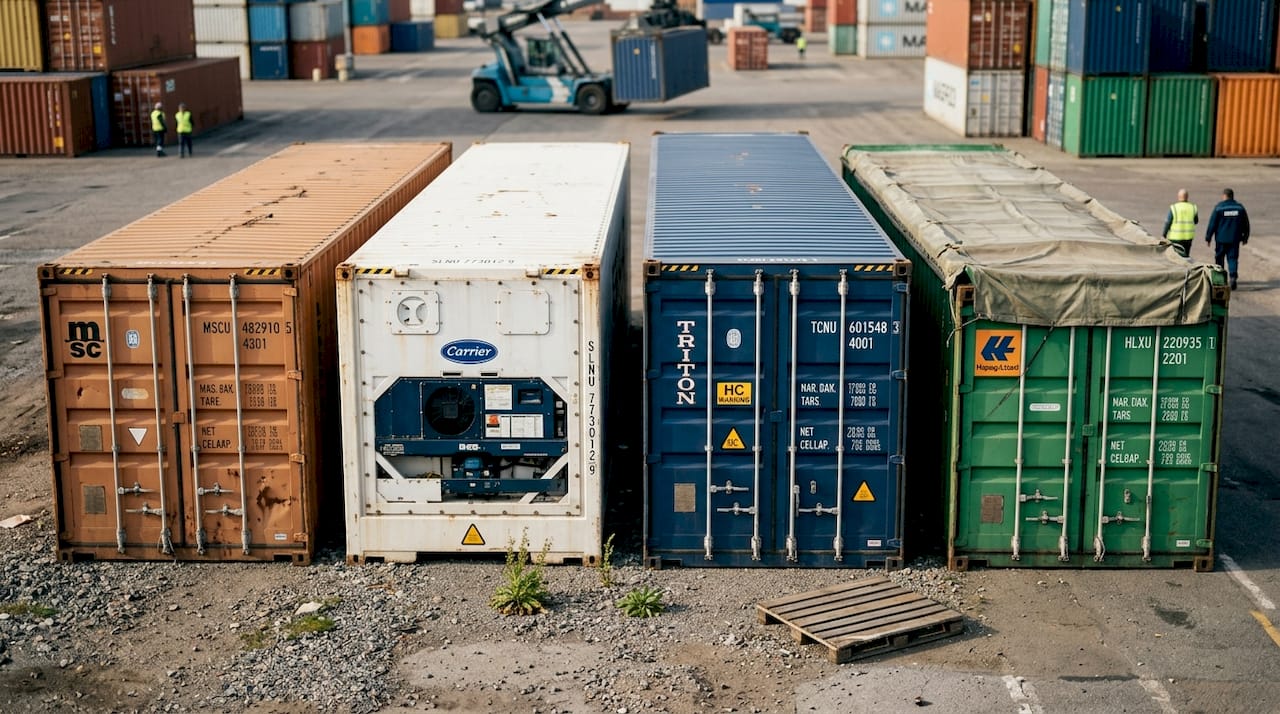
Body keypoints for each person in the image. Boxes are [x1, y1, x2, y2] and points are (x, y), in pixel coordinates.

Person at [1205, 188, 1250, 290]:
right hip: (1234, 239)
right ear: (1232, 196)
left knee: (1219, 258)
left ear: (1224, 196)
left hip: (1221, 239)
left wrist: (1208, 237)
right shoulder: (1240, 208)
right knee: (1233, 258)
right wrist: (1245, 237)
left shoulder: (1219, 208)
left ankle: (1219, 280)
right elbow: (1246, 224)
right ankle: (1233, 278)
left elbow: (1212, 224)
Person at [1161, 188, 1197, 258]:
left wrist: (1164, 235)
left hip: (1175, 238)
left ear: (1179, 197)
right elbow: (1195, 221)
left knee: (1176, 257)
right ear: (1187, 197)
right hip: (1188, 238)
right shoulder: (1193, 207)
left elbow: (1168, 222)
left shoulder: (1174, 208)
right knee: (1186, 257)